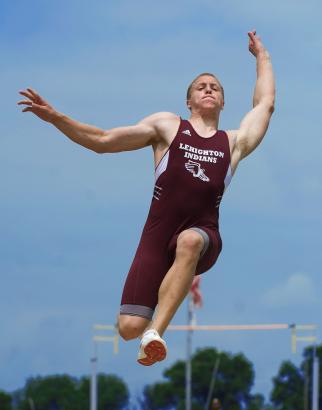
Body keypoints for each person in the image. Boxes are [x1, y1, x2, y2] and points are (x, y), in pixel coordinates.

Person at [18, 30, 275, 366]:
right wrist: (57, 119)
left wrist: (263, 57)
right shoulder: (167, 127)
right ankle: (144, 329)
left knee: (189, 242)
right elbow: (103, 139)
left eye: (216, 87)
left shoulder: (232, 143)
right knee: (128, 327)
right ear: (189, 101)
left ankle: (155, 334)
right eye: (201, 86)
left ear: (224, 102)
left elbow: (264, 104)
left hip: (203, 237)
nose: (209, 89)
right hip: (155, 241)